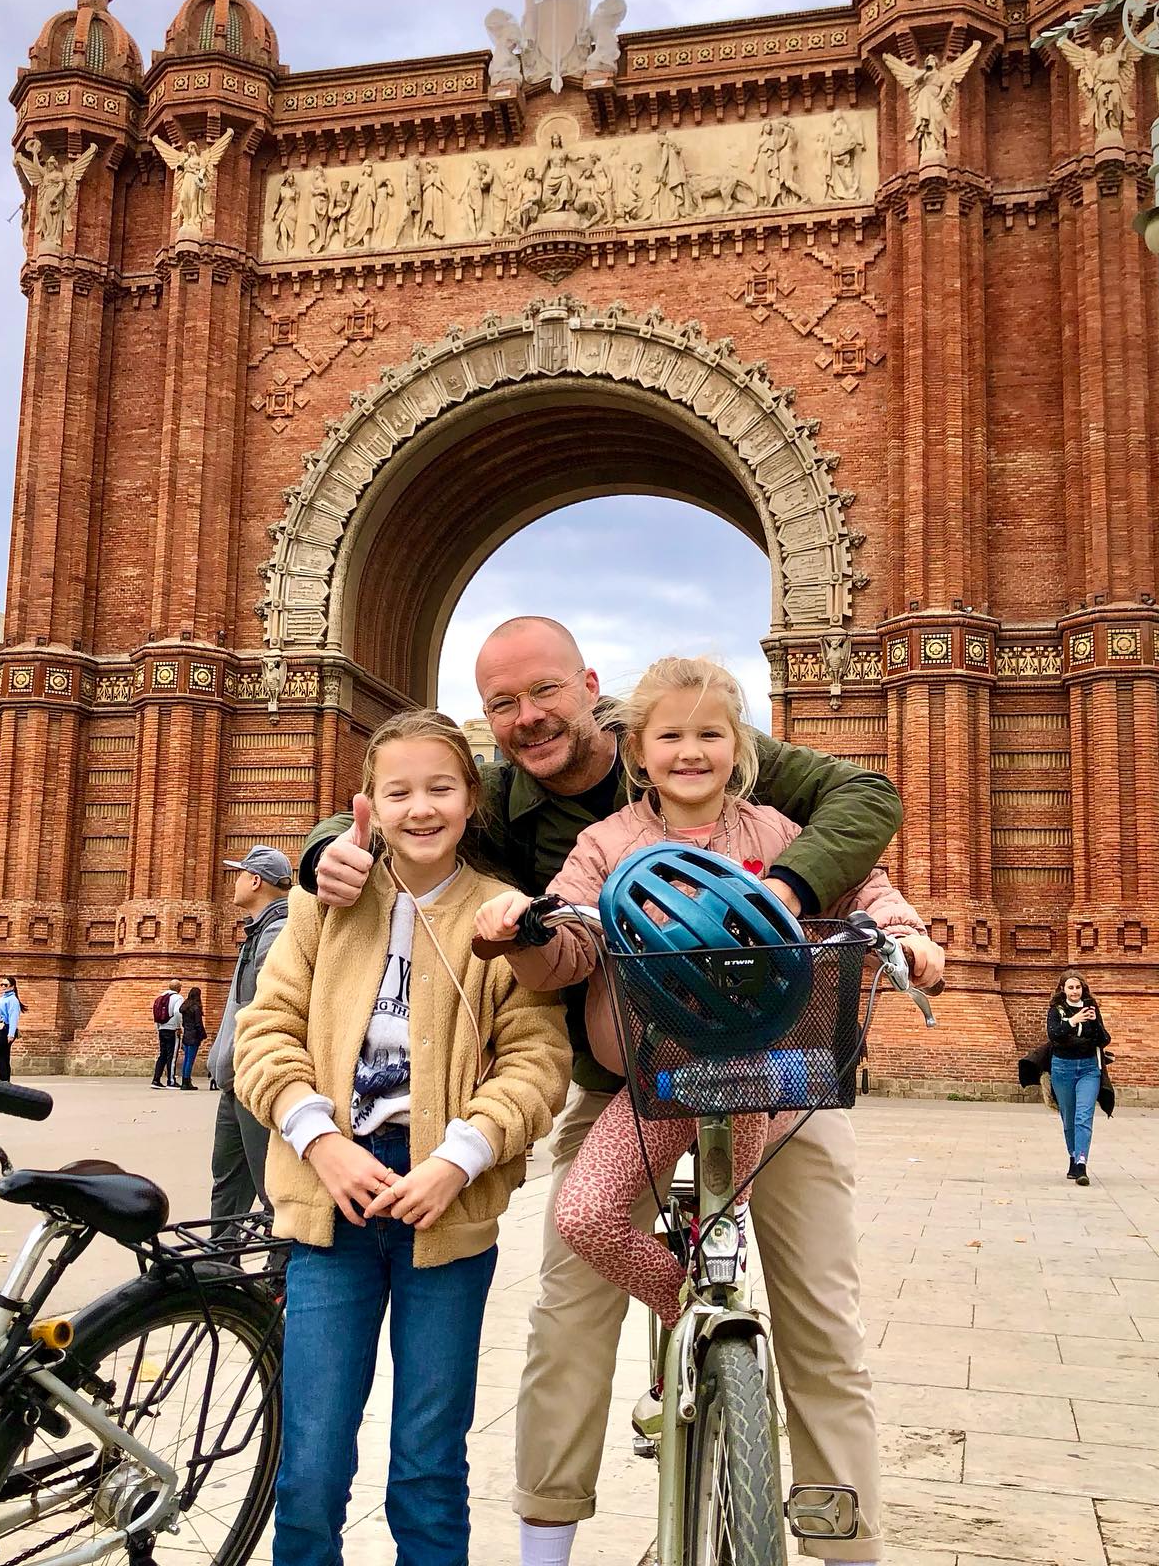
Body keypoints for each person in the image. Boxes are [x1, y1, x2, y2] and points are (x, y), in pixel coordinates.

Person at [300, 616, 929, 1566]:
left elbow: (867, 811)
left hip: (781, 1077)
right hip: (629, 1082)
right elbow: (413, 806)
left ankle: (848, 1544)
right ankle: (551, 1534)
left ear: (592, 690)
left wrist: (825, 903)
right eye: (502, 704)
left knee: (820, 1320)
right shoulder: (554, 818)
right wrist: (327, 856)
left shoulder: (744, 770)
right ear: (639, 747)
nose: (526, 718)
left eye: (544, 692)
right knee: (568, 1315)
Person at [474, 656, 941, 1351]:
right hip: (660, 1078)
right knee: (585, 1215)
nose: (690, 752)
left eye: (710, 736)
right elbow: (568, 945)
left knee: (735, 1218)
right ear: (636, 751)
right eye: (669, 738)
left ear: (739, 747)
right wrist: (522, 933)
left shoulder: (776, 832)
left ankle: (731, 1331)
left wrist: (907, 937)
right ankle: (689, 1310)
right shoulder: (604, 845)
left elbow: (862, 890)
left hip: (763, 1071)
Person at [235, 709, 570, 1566]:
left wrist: (459, 1160)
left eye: (440, 789)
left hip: (442, 1212)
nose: (420, 809)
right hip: (329, 1205)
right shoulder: (323, 907)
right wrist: (320, 1140)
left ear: (472, 800)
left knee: (426, 1466)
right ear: (368, 808)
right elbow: (263, 1033)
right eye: (399, 792)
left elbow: (536, 1062)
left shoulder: (499, 917)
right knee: (307, 1464)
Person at [208, 846, 293, 1222]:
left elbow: (270, 1008)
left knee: (272, 1189)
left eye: (240, 873)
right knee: (228, 1185)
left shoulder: (277, 932)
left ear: (255, 880)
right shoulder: (260, 930)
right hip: (235, 1083)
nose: (236, 881)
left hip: (255, 1081)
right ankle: (221, 1274)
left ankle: (282, 1277)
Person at [1047, 973, 1110, 1186]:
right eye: (1070, 987)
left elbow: (1104, 1039)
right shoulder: (1056, 1011)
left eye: (1078, 987)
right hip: (1062, 1068)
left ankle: (1082, 1163)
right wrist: (1073, 1021)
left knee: (1083, 1116)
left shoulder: (1091, 1009)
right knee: (1069, 1117)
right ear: (1063, 989)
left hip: (1088, 1068)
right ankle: (1073, 1157)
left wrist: (1094, 1023)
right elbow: (1054, 1035)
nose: (1075, 991)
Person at [151, 979, 183, 1088]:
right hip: (172, 1029)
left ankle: (156, 1080)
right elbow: (177, 1012)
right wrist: (179, 1026)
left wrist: (159, 1026)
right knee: (172, 1056)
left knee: (162, 1055)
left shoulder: (161, 997)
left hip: (162, 1028)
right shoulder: (178, 998)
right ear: (179, 988)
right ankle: (171, 1081)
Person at [177, 987, 207, 1091]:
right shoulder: (196, 1007)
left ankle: (184, 1080)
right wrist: (203, 1034)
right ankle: (186, 1081)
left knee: (186, 1059)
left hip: (186, 1034)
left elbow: (184, 1023)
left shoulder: (185, 1007)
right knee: (190, 1059)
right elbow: (198, 1023)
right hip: (194, 1036)